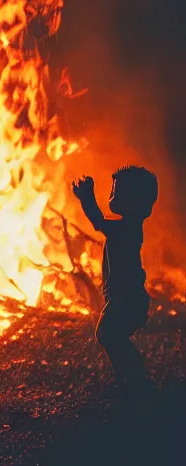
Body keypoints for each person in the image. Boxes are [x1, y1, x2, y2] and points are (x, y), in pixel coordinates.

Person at [72, 166, 158, 399]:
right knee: (110, 336)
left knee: (108, 334)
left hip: (128, 298)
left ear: (138, 204)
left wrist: (87, 197)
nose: (113, 197)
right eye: (113, 191)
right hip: (124, 297)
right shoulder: (126, 226)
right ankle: (126, 379)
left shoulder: (127, 228)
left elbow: (98, 223)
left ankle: (135, 378)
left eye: (118, 193)